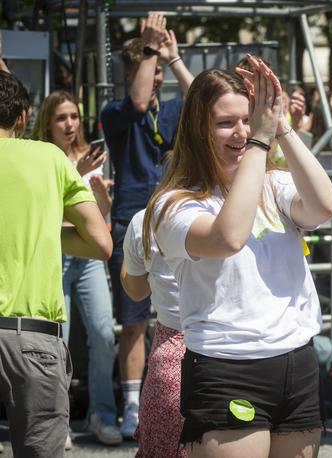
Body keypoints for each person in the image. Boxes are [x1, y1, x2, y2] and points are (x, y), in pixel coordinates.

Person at [144, 59, 332, 456]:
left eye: (248, 120)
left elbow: (324, 206)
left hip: (296, 362)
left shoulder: (274, 183)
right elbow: (228, 237)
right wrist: (259, 143)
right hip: (226, 368)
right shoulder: (174, 204)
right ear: (199, 130)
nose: (242, 132)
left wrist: (281, 126)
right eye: (225, 123)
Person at [0, 70, 112, 457]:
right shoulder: (49, 158)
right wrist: (48, 230)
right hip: (33, 338)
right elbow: (100, 243)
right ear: (23, 117)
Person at [100, 11, 193, 437]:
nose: (156, 78)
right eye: (149, 69)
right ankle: (134, 405)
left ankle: (181, 393)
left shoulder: (173, 110)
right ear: (134, 69)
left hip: (175, 218)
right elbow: (138, 102)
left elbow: (204, 103)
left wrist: (173, 59)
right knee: (134, 319)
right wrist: (150, 51)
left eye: (158, 72)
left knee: (184, 316)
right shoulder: (116, 112)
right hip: (132, 222)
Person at [31, 90, 121, 446]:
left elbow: (102, 214)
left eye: (74, 117)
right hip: (55, 252)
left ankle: (102, 413)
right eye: (61, 118)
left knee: (101, 335)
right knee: (59, 342)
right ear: (47, 123)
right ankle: (59, 420)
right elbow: (41, 206)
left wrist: (101, 192)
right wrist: (76, 172)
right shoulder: (42, 157)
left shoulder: (94, 156)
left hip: (87, 258)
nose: (70, 124)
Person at [121, 208, 186, 458]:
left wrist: (130, 255)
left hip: (174, 350)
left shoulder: (145, 219)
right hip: (246, 355)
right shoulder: (246, 210)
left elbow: (135, 289)